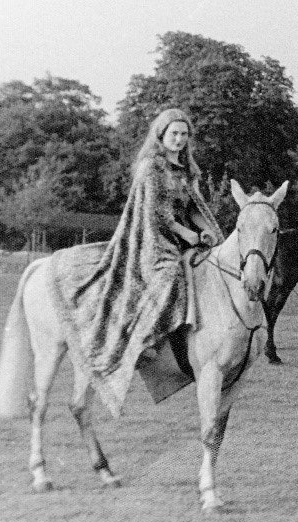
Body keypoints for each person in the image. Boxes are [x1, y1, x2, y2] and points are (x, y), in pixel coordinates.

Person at [49, 108, 223, 415]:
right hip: (152, 239)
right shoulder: (151, 167)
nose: (180, 140)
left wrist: (207, 230)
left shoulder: (186, 168)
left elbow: (194, 206)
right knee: (168, 276)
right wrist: (187, 234)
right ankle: (146, 342)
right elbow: (155, 213)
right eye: (174, 134)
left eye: (184, 134)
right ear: (161, 134)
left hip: (184, 236)